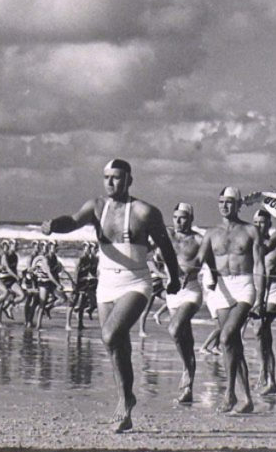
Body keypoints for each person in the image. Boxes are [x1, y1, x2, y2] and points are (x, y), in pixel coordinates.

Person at [42, 158, 180, 432]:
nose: (110, 182)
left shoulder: (144, 212)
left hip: (136, 283)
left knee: (110, 334)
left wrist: (174, 278)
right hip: (105, 284)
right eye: (106, 177)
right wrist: (53, 225)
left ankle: (125, 401)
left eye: (116, 177)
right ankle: (126, 400)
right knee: (116, 345)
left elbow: (165, 246)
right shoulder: (97, 207)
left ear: (129, 180)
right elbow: (72, 221)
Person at [202, 187, 260, 414]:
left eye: (229, 202)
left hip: (244, 286)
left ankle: (229, 393)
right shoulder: (211, 233)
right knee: (232, 343)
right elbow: (203, 257)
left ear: (238, 204)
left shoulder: (251, 231)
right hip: (222, 288)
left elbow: (260, 266)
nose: (224, 206)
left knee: (225, 337)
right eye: (221, 202)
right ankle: (246, 399)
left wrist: (260, 296)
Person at [164, 202, 211, 403]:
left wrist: (192, 271)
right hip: (172, 293)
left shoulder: (199, 239)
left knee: (174, 329)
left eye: (182, 218)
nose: (178, 221)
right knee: (184, 338)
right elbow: (147, 256)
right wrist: (158, 274)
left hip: (191, 291)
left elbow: (208, 262)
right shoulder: (166, 236)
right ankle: (188, 386)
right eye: (175, 217)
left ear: (190, 219)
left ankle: (185, 370)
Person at [253, 208, 276, 396]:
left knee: (262, 327)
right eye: (255, 223)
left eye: (262, 222)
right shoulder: (251, 243)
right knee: (259, 333)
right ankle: (263, 370)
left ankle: (270, 378)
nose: (258, 226)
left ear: (269, 224)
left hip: (273, 290)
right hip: (255, 291)